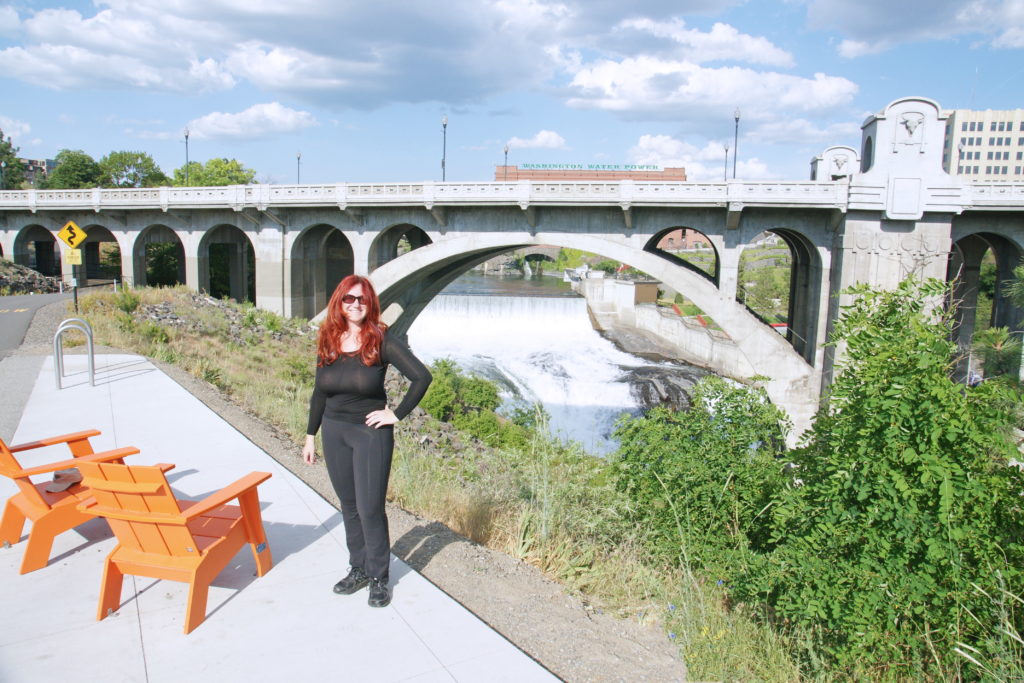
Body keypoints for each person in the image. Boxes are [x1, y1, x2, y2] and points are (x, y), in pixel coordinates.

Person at [303, 275, 432, 607]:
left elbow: (421, 377)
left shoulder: (381, 339)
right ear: (339, 302)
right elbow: (320, 391)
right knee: (349, 507)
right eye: (349, 299)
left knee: (370, 509)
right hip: (334, 431)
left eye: (362, 299)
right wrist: (310, 435)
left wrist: (396, 414)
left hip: (369, 434)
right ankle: (358, 568)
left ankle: (379, 577)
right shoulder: (329, 337)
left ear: (370, 303)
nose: (355, 304)